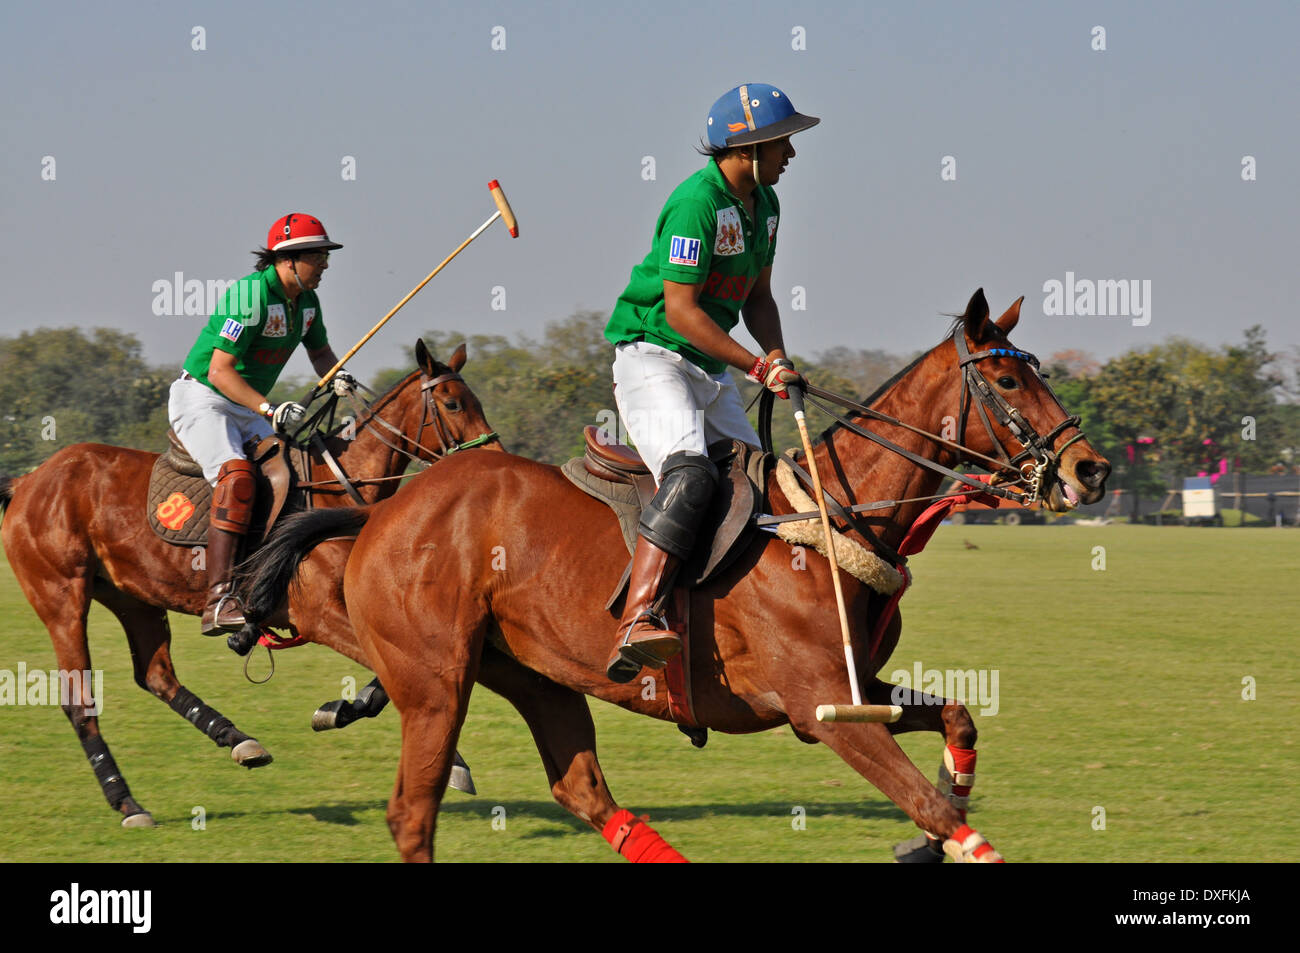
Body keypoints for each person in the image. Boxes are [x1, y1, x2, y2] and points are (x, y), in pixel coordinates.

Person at [602, 84, 819, 682]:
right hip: (654, 357)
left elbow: (760, 297)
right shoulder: (695, 203)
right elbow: (681, 312)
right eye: (782, 144)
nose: (791, 156)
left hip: (709, 365)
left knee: (761, 476)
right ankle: (638, 618)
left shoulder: (766, 204)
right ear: (746, 148)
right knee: (692, 472)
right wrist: (756, 367)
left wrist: (778, 357)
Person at [169, 213, 354, 635]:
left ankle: (265, 579)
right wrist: (269, 410)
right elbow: (219, 371)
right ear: (288, 259)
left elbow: (320, 353)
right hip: (205, 398)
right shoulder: (249, 297)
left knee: (288, 473)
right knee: (236, 477)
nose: (325, 264)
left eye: (325, 256)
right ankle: (218, 599)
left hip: (246, 406)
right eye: (318, 256)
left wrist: (337, 374)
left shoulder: (307, 302)